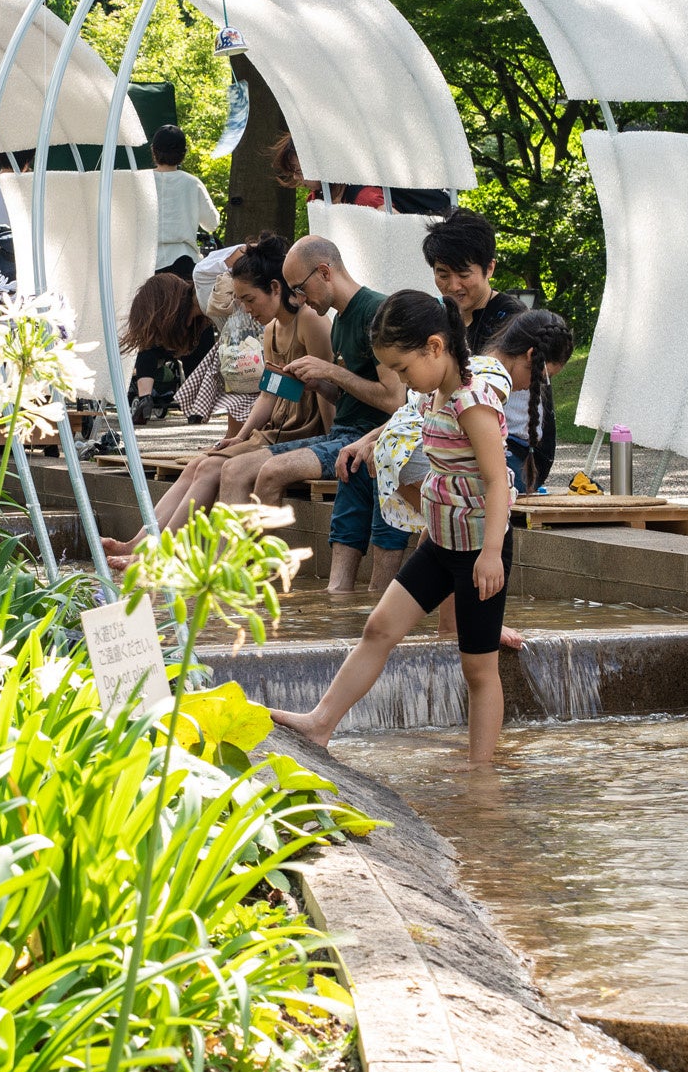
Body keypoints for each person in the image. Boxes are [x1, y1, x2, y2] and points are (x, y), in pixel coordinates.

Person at [270, 291, 516, 762]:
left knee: (479, 669)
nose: (401, 381)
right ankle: (320, 723)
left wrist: (489, 555)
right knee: (379, 627)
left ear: (435, 347)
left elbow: (496, 481)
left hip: (478, 551)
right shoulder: (433, 393)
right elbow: (409, 433)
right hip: (442, 543)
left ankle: (483, 777)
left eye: (402, 369)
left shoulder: (471, 402)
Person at [110, 238, 330, 560]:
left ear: (275, 289)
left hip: (307, 430)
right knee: (201, 463)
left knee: (213, 469)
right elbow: (269, 394)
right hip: (281, 425)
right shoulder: (270, 332)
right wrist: (239, 437)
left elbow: (327, 385)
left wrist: (335, 438)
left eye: (249, 299)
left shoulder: (310, 320)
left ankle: (158, 556)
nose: (246, 309)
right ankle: (143, 543)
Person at [255, 235, 408, 592]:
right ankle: (326, 605)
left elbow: (394, 400)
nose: (298, 300)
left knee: (273, 470)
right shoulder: (339, 321)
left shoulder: (375, 312)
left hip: (372, 437)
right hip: (346, 441)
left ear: (324, 272)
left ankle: (266, 589)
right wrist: (318, 384)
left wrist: (331, 372)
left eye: (300, 288)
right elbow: (349, 396)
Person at [491, 308, 575, 491]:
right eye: (543, 377)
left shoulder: (484, 373)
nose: (532, 387)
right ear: (530, 356)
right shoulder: (493, 385)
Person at [423, 208, 525, 355]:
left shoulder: (512, 319)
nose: (453, 287)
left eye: (463, 275)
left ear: (489, 268)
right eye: (443, 276)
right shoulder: (438, 319)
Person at [120, 269, 213, 423]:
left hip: (163, 312)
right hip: (171, 311)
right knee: (196, 353)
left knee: (147, 347)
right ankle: (197, 405)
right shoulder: (194, 307)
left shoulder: (163, 303)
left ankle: (145, 397)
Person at [151, 124, 219, 269]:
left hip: (147, 262)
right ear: (183, 153)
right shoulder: (193, 183)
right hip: (183, 261)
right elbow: (212, 223)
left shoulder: (140, 181)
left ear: (153, 150)